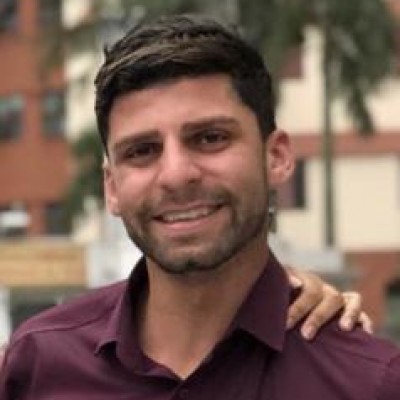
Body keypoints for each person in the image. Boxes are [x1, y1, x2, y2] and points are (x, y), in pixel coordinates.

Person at [0, 14, 395, 399]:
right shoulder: (38, 366)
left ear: (276, 156)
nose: (176, 175)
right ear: (112, 187)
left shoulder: (369, 383)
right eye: (142, 151)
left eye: (210, 138)